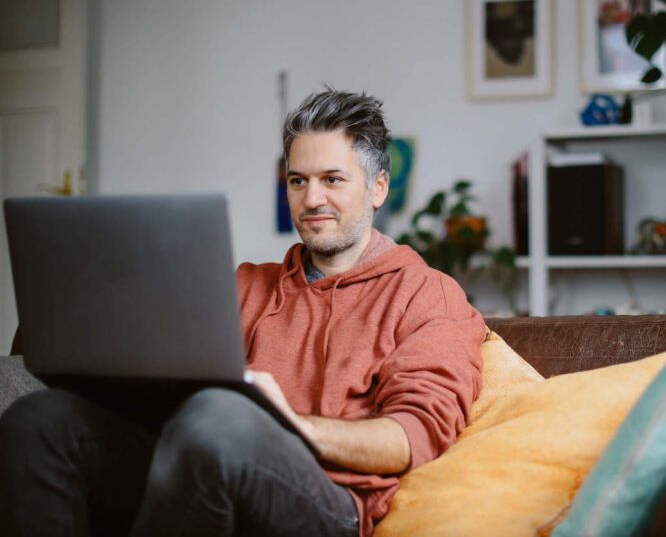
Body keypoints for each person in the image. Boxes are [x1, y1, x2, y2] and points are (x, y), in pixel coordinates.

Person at [0, 89, 486, 537]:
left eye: (332, 180)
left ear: (378, 188)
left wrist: (289, 423)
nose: (312, 199)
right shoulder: (242, 283)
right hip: (193, 467)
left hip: (327, 501)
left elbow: (411, 437)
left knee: (220, 417)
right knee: (41, 418)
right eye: (298, 181)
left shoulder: (428, 294)